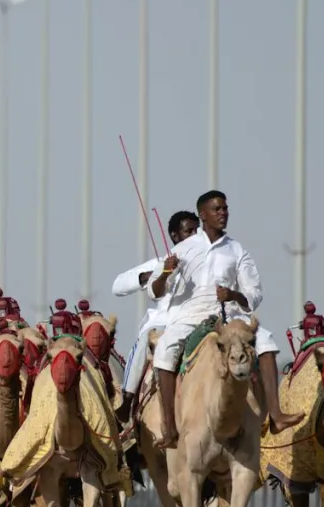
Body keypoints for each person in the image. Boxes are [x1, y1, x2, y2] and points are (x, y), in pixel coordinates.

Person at [148, 190, 304, 449]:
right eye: (217, 209)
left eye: (225, 208)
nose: (223, 213)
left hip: (230, 315)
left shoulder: (236, 249)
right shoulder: (182, 250)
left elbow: (255, 294)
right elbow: (155, 291)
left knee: (265, 341)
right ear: (203, 214)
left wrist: (233, 294)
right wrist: (165, 273)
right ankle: (170, 428)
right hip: (191, 316)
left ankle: (275, 415)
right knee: (164, 350)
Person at [110, 210, 200, 419]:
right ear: (175, 236)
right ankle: (128, 398)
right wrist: (154, 274)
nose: (195, 235)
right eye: (189, 231)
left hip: (197, 323)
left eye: (197, 230)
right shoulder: (159, 263)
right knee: (145, 339)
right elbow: (118, 286)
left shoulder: (208, 263)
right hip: (162, 326)